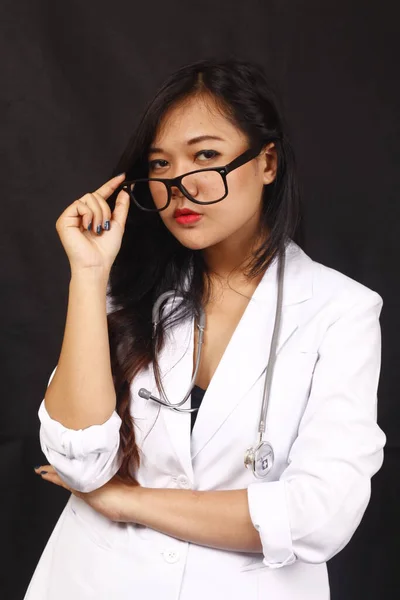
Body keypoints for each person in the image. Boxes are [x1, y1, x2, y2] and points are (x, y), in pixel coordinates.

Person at [24, 58, 386, 600]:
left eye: (206, 156)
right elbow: (77, 462)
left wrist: (127, 501)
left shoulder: (341, 310)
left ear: (267, 162)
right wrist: (89, 274)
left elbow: (319, 516)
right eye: (161, 166)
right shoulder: (128, 294)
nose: (180, 186)